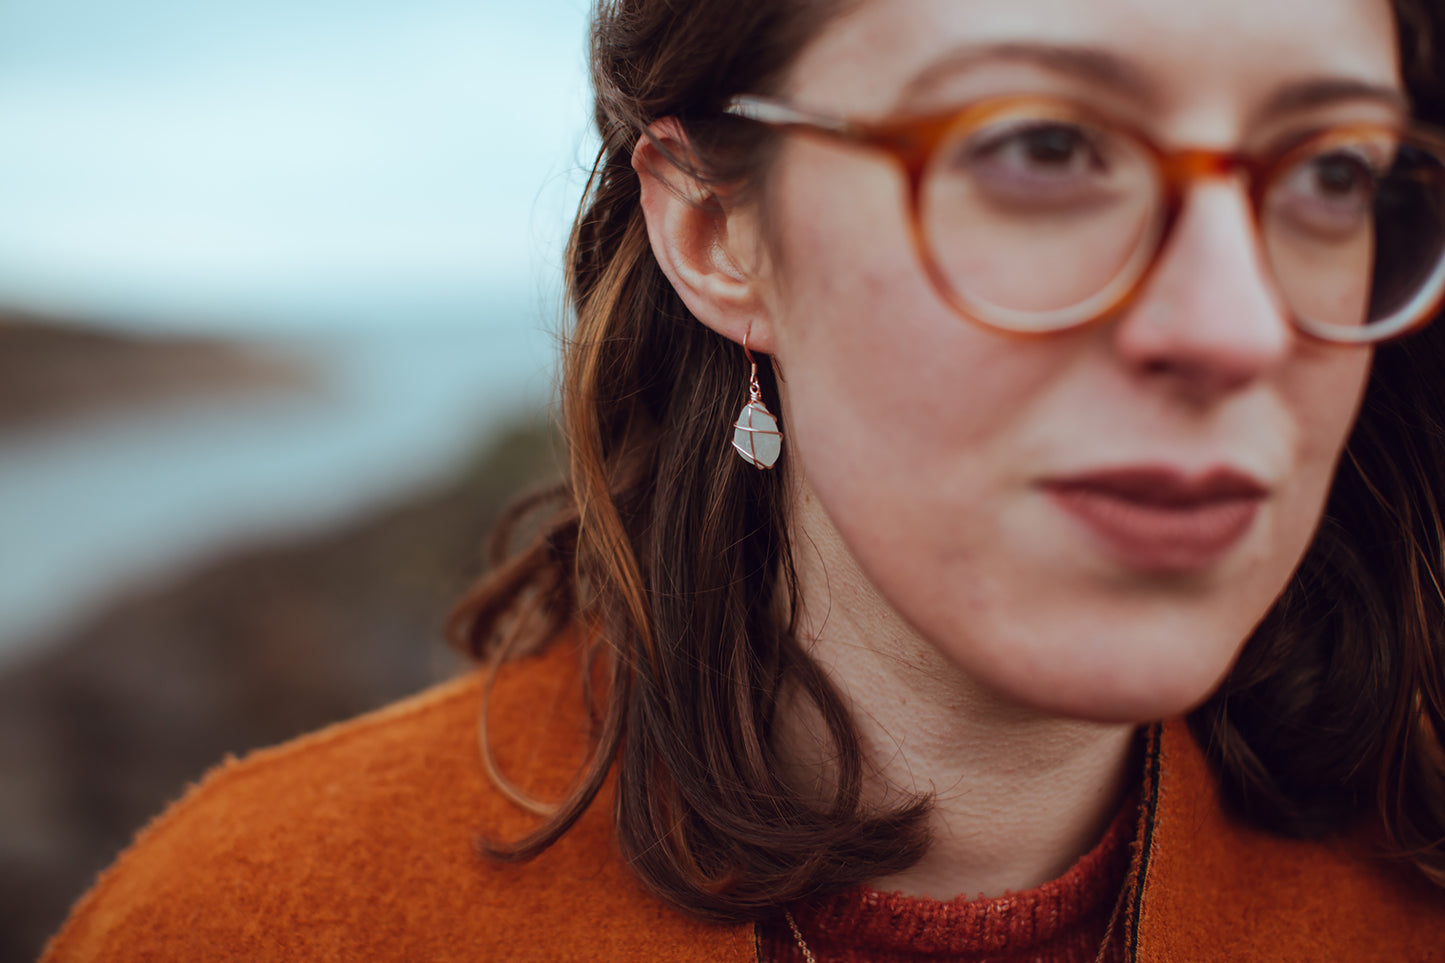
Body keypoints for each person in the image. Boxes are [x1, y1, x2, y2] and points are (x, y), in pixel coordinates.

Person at [41, 0, 1445, 959]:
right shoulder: (272, 923)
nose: (1233, 324)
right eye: (1041, 147)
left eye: (1329, 170)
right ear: (718, 231)